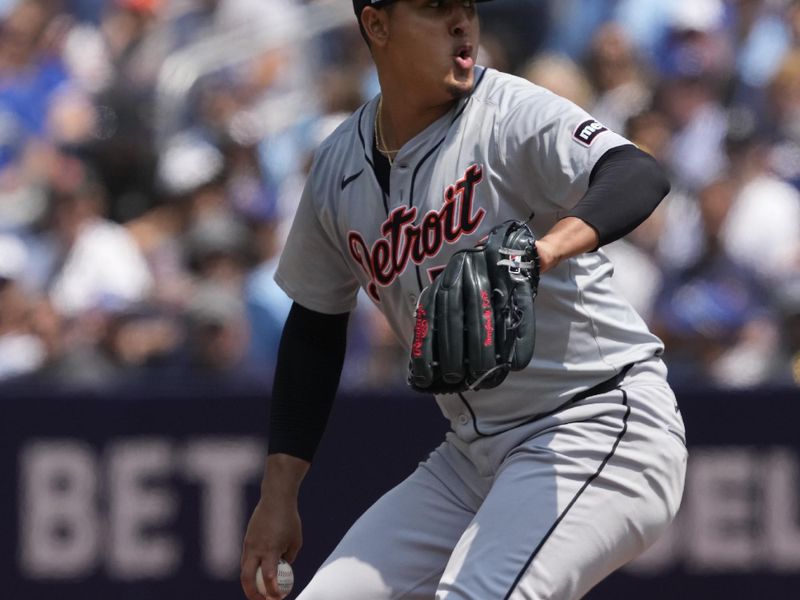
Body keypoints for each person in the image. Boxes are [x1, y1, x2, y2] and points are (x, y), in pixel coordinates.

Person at [240, 1, 688, 599]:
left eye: (466, 7)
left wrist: (544, 251)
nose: (462, 24)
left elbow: (637, 174)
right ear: (376, 24)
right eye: (435, 8)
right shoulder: (338, 166)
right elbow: (314, 329)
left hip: (597, 422)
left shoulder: (509, 111)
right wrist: (278, 495)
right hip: (472, 457)